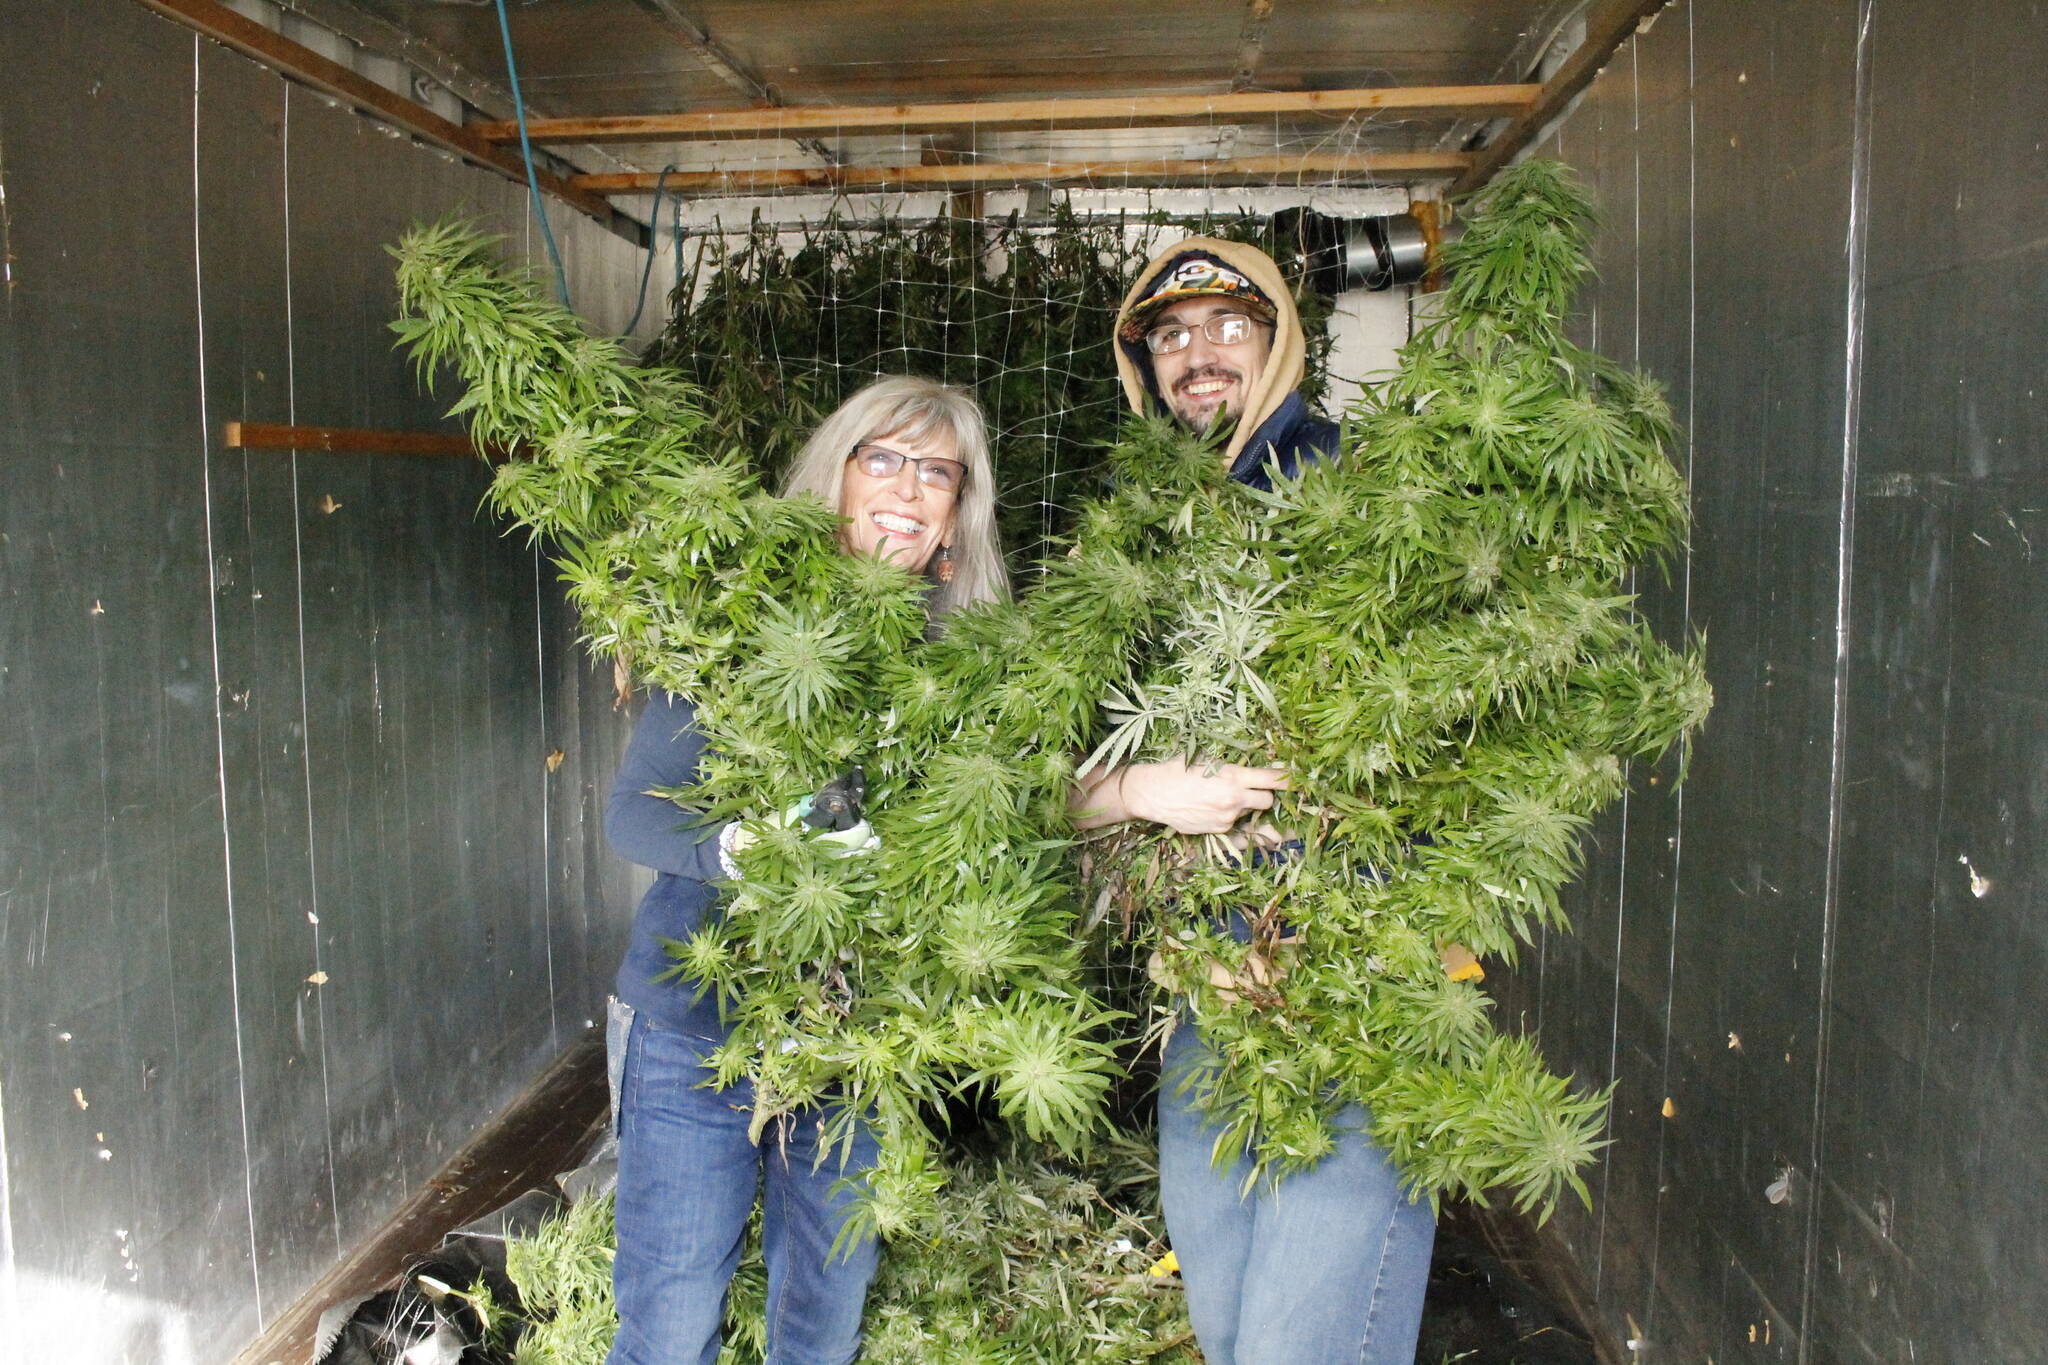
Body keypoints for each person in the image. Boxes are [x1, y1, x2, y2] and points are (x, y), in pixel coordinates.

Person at [1073, 239, 1437, 1364]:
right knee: (1224, 1308)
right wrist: (1141, 789)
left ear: (1280, 342)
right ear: (1142, 365)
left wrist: (1319, 798)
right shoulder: (1128, 528)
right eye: (1170, 336)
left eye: (1230, 327)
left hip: (1344, 964)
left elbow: (1447, 713)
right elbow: (1055, 757)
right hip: (1201, 974)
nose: (1199, 355)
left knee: (1305, 1334)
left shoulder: (1352, 489)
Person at [602, 376, 1008, 1365]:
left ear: (957, 513)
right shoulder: (739, 626)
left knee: (821, 1319)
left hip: (857, 1043)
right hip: (695, 1023)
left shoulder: (967, 667)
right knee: (669, 1321)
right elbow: (633, 813)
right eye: (883, 459)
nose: (906, 488)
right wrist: (743, 849)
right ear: (836, 478)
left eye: (936, 473)